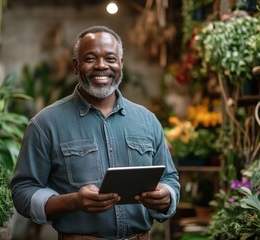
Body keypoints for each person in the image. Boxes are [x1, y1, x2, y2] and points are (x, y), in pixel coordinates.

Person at [10, 25, 180, 240]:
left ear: (121, 64)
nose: (101, 66)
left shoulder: (147, 120)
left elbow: (170, 179)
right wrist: (73, 201)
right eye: (90, 58)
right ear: (75, 65)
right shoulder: (45, 124)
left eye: (110, 58)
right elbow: (23, 191)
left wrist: (166, 195)